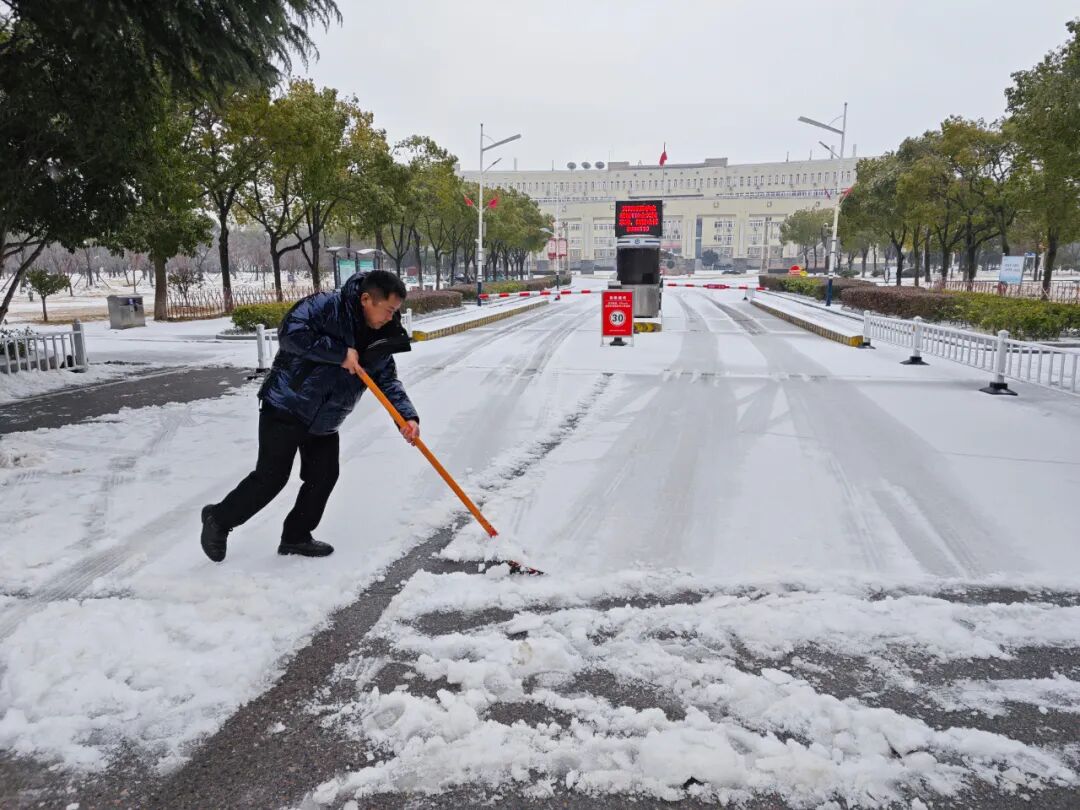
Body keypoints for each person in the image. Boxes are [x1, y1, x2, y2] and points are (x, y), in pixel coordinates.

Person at [200, 270, 419, 561]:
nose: (391, 318)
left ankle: (296, 536)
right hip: (287, 404)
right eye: (389, 310)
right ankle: (218, 519)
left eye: (395, 312)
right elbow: (290, 334)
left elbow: (388, 380)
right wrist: (339, 353)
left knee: (324, 475)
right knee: (271, 477)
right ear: (367, 299)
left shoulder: (382, 336)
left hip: (326, 418)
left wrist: (407, 417)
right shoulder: (327, 306)